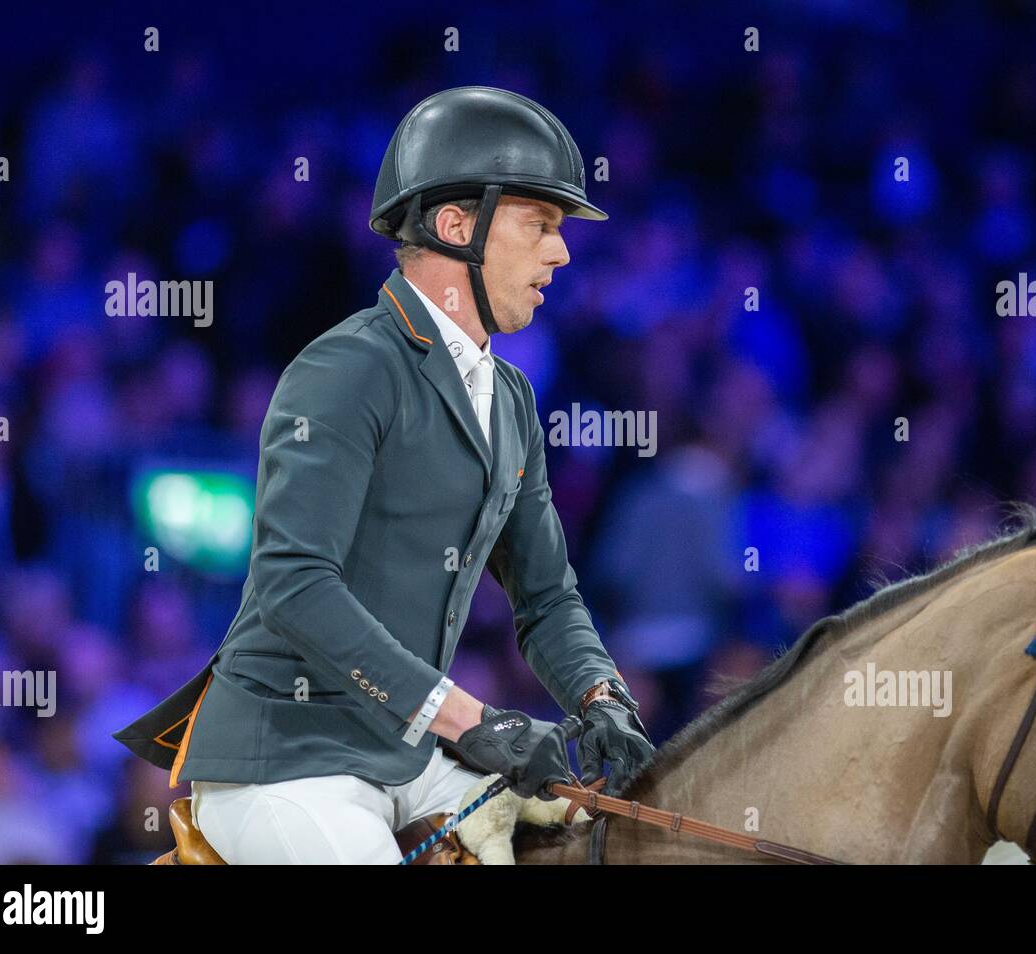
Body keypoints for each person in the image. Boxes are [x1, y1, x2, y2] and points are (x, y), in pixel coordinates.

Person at [112, 86, 654, 863]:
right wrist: (471, 719)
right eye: (540, 225)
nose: (561, 252)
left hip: (407, 756)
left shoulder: (512, 398)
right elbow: (296, 581)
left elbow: (545, 596)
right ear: (455, 225)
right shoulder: (348, 367)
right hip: (287, 760)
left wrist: (605, 699)